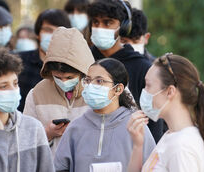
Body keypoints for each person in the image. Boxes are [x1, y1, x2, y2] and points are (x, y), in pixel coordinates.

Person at [54, 58, 155, 172]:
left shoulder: (135, 126)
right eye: (88, 80)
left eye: (99, 81)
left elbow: (152, 167)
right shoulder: (75, 128)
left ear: (118, 89)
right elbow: (59, 168)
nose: (91, 86)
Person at [127, 53, 204, 172]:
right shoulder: (172, 135)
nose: (144, 92)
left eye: (148, 85)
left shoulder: (182, 147)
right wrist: (137, 145)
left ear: (170, 92)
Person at [87, 0, 165, 143]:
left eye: (108, 22)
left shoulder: (142, 67)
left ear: (123, 27)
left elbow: (154, 124)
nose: (100, 28)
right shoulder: (83, 61)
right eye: (96, 22)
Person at [23, 27, 95, 155]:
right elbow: (25, 141)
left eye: (70, 78)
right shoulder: (37, 94)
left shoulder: (100, 90)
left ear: (83, 71)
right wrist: (47, 134)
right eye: (58, 77)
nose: (64, 82)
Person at [17, 9, 71, 111]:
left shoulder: (72, 69)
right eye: (48, 30)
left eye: (58, 31)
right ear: (38, 33)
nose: (53, 35)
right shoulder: (19, 62)